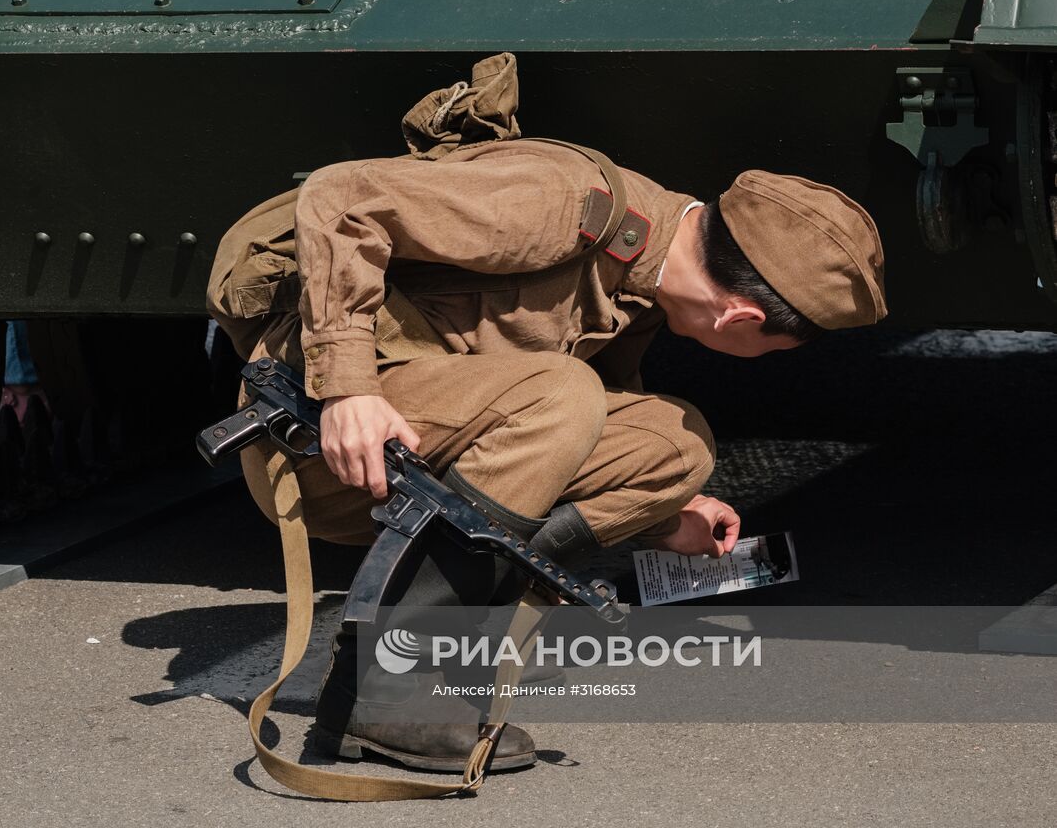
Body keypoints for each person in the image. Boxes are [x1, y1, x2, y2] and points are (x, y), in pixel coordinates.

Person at [207, 58, 886, 778]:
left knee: (673, 442)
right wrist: (347, 389)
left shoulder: (644, 267)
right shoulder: (560, 203)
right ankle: (384, 692)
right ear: (738, 313)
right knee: (560, 389)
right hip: (322, 441)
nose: (755, 356)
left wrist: (660, 515)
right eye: (767, 346)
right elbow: (342, 194)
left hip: (420, 448)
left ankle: (455, 654)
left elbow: (568, 436)